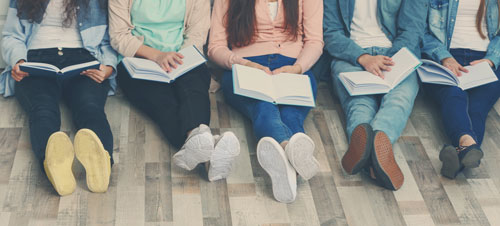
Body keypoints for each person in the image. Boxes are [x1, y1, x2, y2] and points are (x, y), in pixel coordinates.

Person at [109, 0, 240, 182]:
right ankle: (207, 150)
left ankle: (197, 139)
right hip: (138, 62)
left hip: (181, 56)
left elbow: (197, 33)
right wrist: (158, 56)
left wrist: (177, 62)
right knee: (164, 103)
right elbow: (119, 36)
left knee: (193, 89)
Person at [208, 0, 324, 203]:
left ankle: (286, 168)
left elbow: (315, 41)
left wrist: (297, 68)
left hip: (293, 66)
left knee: (291, 114)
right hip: (245, 66)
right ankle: (289, 149)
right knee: (263, 108)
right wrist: (243, 64)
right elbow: (215, 47)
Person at [1, 0, 118, 196]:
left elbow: (109, 38)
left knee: (89, 107)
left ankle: (102, 161)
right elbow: (11, 36)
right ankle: (53, 163)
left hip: (83, 59)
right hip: (36, 60)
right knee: (42, 108)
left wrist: (108, 67)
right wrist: (19, 61)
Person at [324, 0, 427, 190]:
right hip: (351, 55)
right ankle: (375, 154)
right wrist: (363, 58)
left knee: (398, 101)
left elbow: (413, 29)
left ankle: (374, 149)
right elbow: (330, 33)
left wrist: (389, 61)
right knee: (359, 102)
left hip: (395, 55)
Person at [422, 0, 500, 179]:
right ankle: (467, 145)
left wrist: (491, 60)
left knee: (477, 108)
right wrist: (444, 57)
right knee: (454, 95)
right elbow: (421, 31)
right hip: (444, 56)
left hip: (487, 60)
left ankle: (459, 155)